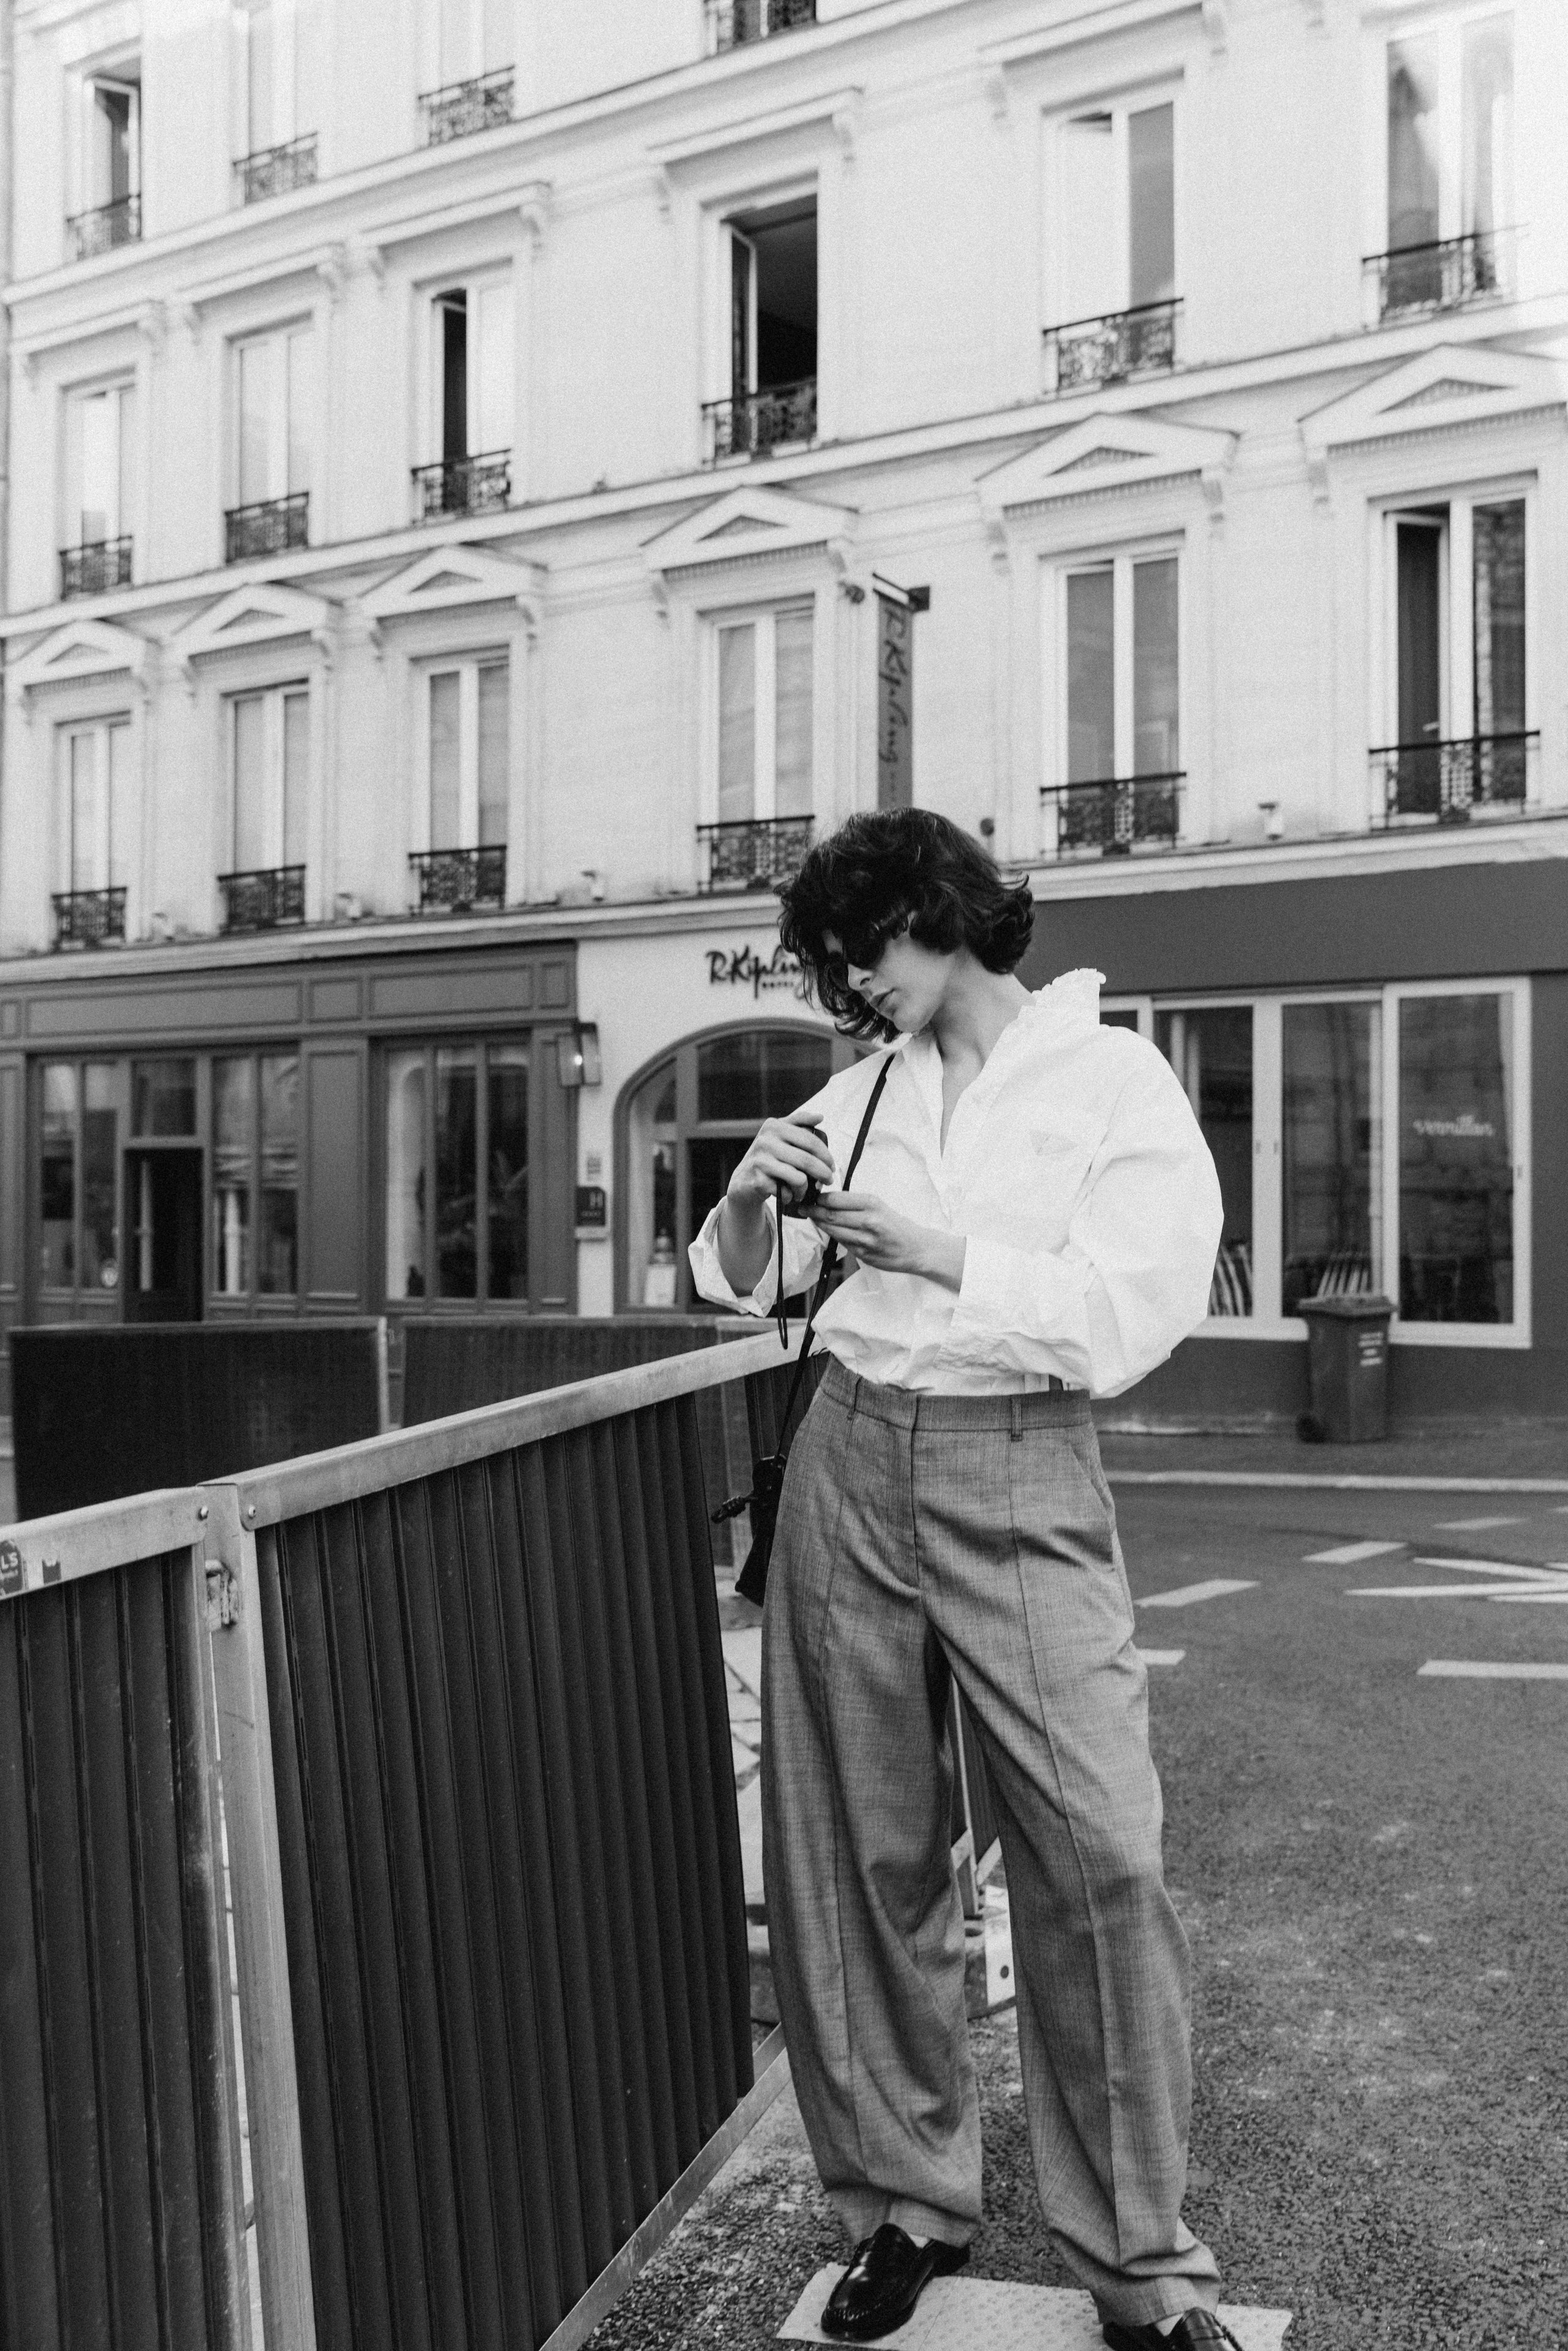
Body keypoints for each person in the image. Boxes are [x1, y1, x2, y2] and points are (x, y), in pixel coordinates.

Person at [688, 809, 1234, 2350]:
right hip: (852, 1450)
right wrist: (745, 1201)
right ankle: (903, 2205)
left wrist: (938, 1252)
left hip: (1024, 1453)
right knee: (857, 1845)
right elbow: (750, 1278)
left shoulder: (1110, 1076)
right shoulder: (861, 1089)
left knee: (1099, 1850)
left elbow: (1133, 1307)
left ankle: (1138, 2258)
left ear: (934, 915)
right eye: (830, 966)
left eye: (858, 952)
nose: (847, 986)